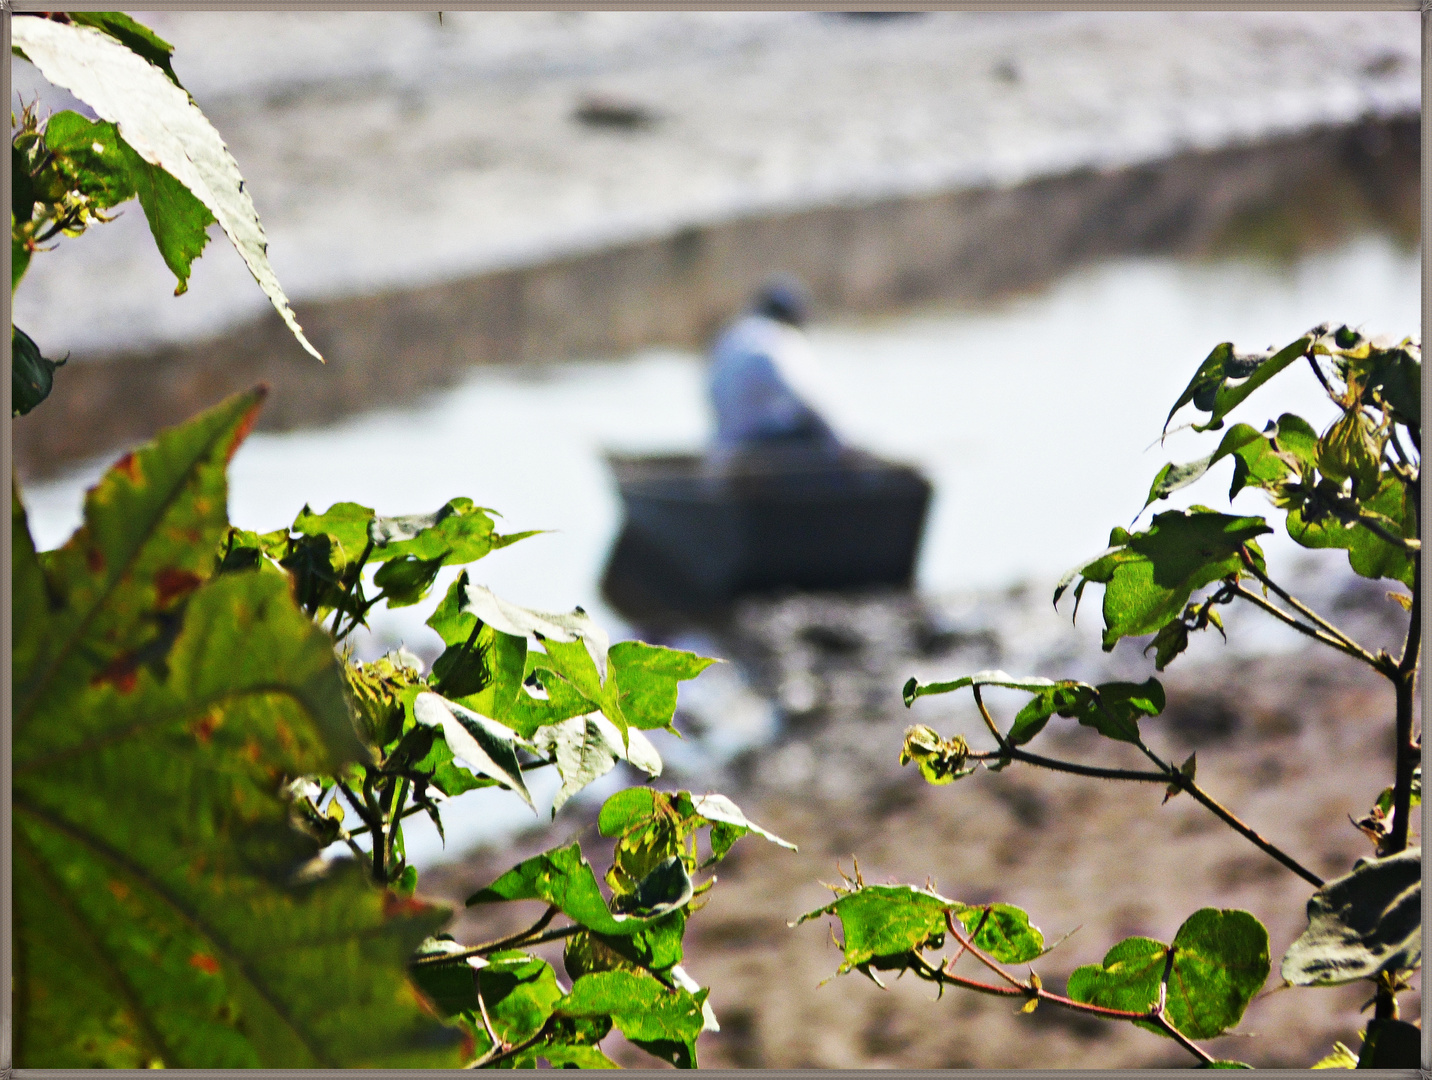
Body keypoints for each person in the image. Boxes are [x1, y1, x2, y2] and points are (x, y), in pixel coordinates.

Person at [707, 276, 844, 463]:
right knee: (815, 432)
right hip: (755, 448)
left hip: (725, 447)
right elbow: (804, 398)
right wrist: (840, 444)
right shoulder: (777, 338)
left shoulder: (732, 334)